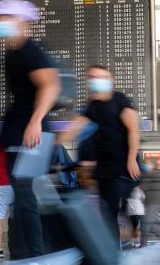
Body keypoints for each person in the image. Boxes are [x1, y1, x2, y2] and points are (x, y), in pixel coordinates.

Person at [0, 0, 61, 260]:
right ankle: (27, 256)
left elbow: (50, 86)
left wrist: (35, 121)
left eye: (4, 18)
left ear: (21, 21)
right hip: (20, 133)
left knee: (26, 196)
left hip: (30, 135)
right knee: (24, 195)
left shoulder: (30, 50)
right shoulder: (14, 53)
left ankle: (37, 259)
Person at [59, 65, 141, 252]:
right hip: (105, 166)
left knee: (125, 206)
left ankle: (129, 239)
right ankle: (112, 252)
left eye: (101, 76)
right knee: (108, 211)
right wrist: (53, 141)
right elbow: (74, 128)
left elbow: (133, 130)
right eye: (93, 77)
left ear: (111, 80)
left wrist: (131, 158)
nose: (96, 80)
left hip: (124, 164)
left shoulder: (120, 100)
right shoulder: (92, 106)